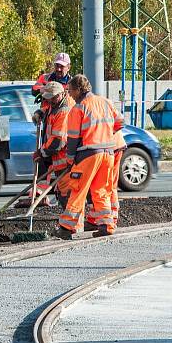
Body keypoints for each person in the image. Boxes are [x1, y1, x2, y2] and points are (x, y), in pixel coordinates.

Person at [55, 74, 122, 239]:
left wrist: (70, 158)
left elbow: (72, 138)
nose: (69, 94)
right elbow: (120, 122)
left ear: (79, 89)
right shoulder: (105, 102)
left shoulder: (78, 109)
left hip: (88, 154)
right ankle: (106, 224)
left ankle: (66, 227)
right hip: (108, 153)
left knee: (78, 189)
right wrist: (105, 135)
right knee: (101, 190)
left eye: (70, 91)